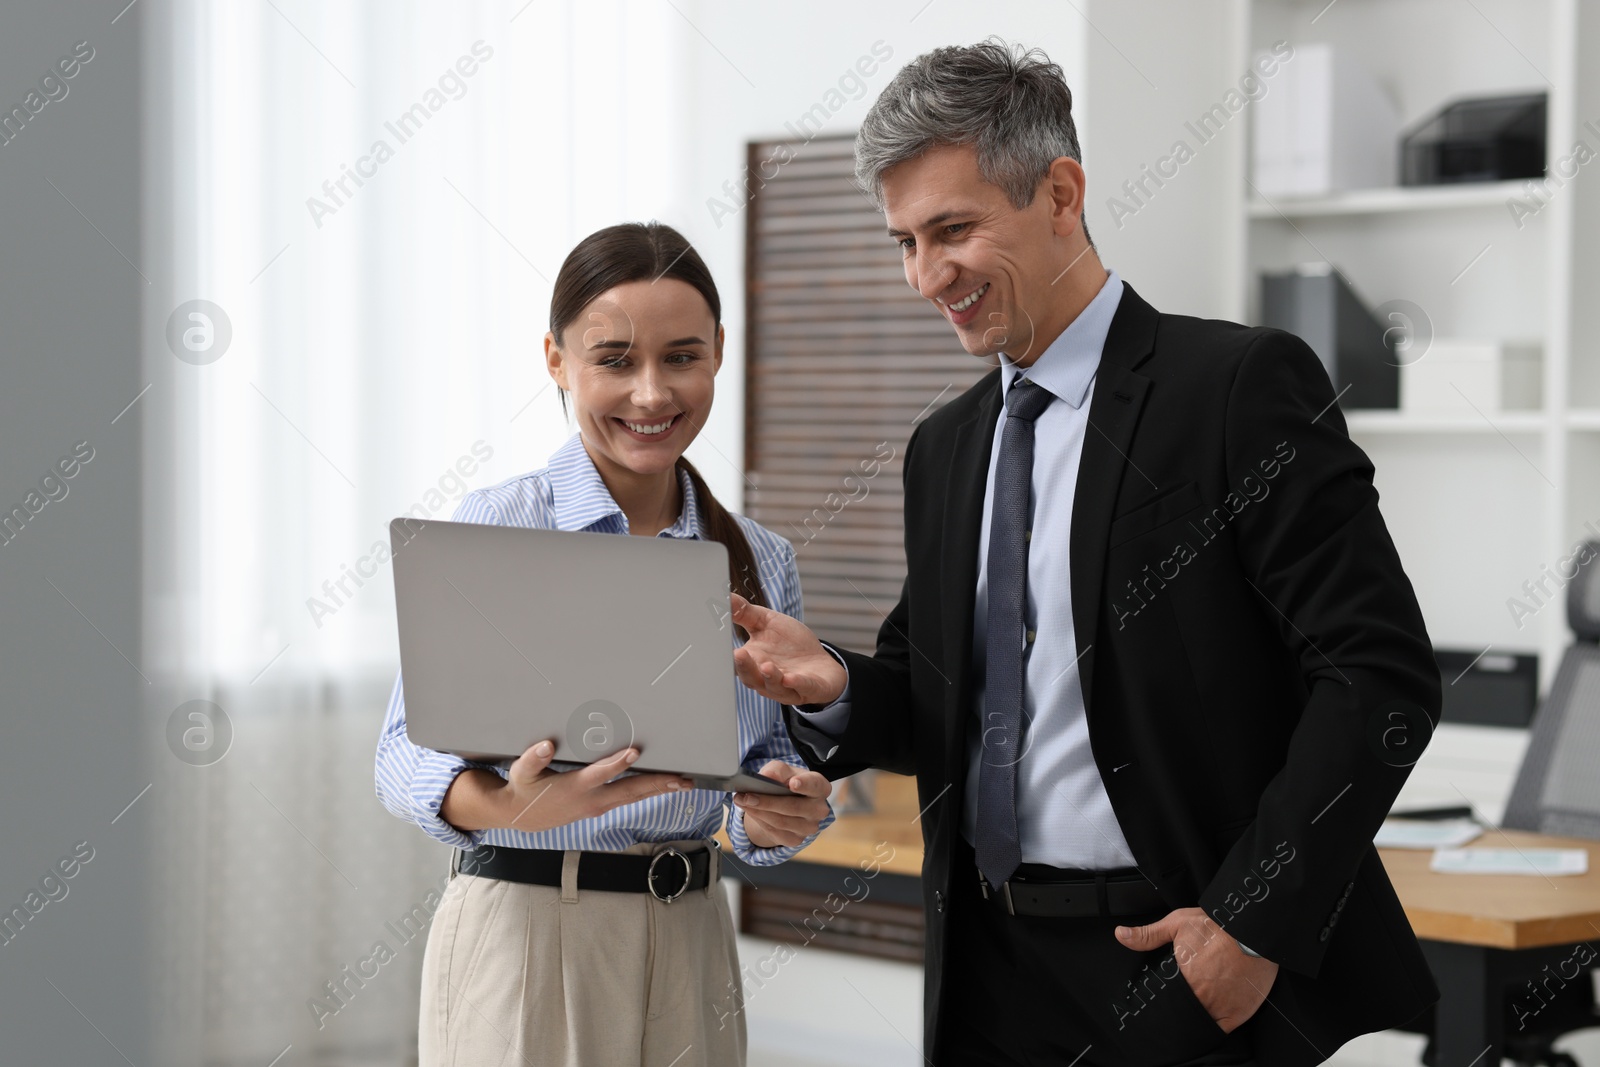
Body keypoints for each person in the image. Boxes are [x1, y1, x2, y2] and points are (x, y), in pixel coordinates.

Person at [731, 40, 1442, 1067]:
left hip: (1174, 957)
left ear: (1060, 192)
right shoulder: (946, 446)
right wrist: (837, 682)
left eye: (953, 229)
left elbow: (1378, 676)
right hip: (985, 966)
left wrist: (1245, 923)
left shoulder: (1236, 387)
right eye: (904, 242)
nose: (928, 276)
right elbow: (937, 702)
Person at [375, 221, 835, 1067]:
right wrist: (515, 807)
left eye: (682, 357)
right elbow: (402, 754)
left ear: (720, 354)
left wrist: (781, 811)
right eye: (615, 359)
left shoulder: (759, 559)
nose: (652, 394)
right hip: (526, 935)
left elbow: (763, 774)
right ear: (556, 360)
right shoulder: (497, 525)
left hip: (693, 936)